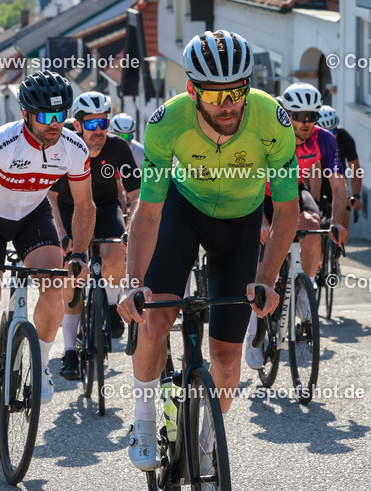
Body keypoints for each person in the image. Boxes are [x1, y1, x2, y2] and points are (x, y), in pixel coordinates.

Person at [116, 31, 301, 471]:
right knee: (155, 316)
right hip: (185, 213)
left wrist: (267, 279)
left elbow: (288, 209)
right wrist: (133, 285)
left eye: (237, 92)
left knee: (226, 359)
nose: (229, 105)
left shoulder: (273, 121)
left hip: (241, 221)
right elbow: (147, 214)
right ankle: (144, 420)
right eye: (216, 95)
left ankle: (206, 440)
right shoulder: (166, 124)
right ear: (192, 91)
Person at [0, 71, 93, 431]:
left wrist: (79, 254)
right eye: (46, 116)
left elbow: (85, 204)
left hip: (32, 215)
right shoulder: (0, 143)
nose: (55, 124)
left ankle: (41, 365)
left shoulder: (73, 147)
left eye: (61, 116)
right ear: (27, 114)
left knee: (54, 283)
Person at [247, 85, 350, 369]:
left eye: (312, 115)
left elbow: (339, 186)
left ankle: (304, 290)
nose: (307, 122)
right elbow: (251, 181)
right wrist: (262, 220)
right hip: (260, 194)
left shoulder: (324, 139)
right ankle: (253, 330)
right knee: (260, 259)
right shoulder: (270, 135)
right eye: (300, 115)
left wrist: (339, 220)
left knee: (313, 223)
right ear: (286, 114)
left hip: (291, 190)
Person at [50, 92, 140, 381]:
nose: (98, 130)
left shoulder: (117, 149)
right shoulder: (61, 147)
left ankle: (111, 304)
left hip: (104, 206)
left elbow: (136, 194)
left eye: (103, 122)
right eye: (91, 124)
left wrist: (131, 227)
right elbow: (50, 199)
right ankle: (69, 351)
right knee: (72, 274)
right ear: (77, 126)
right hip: (68, 208)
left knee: (115, 253)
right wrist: (62, 234)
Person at [317, 105, 363, 222]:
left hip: (338, 180)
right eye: (326, 132)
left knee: (343, 219)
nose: (330, 136)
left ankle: (340, 240)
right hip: (316, 180)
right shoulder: (311, 139)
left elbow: (356, 171)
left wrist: (356, 196)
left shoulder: (345, 139)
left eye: (333, 131)